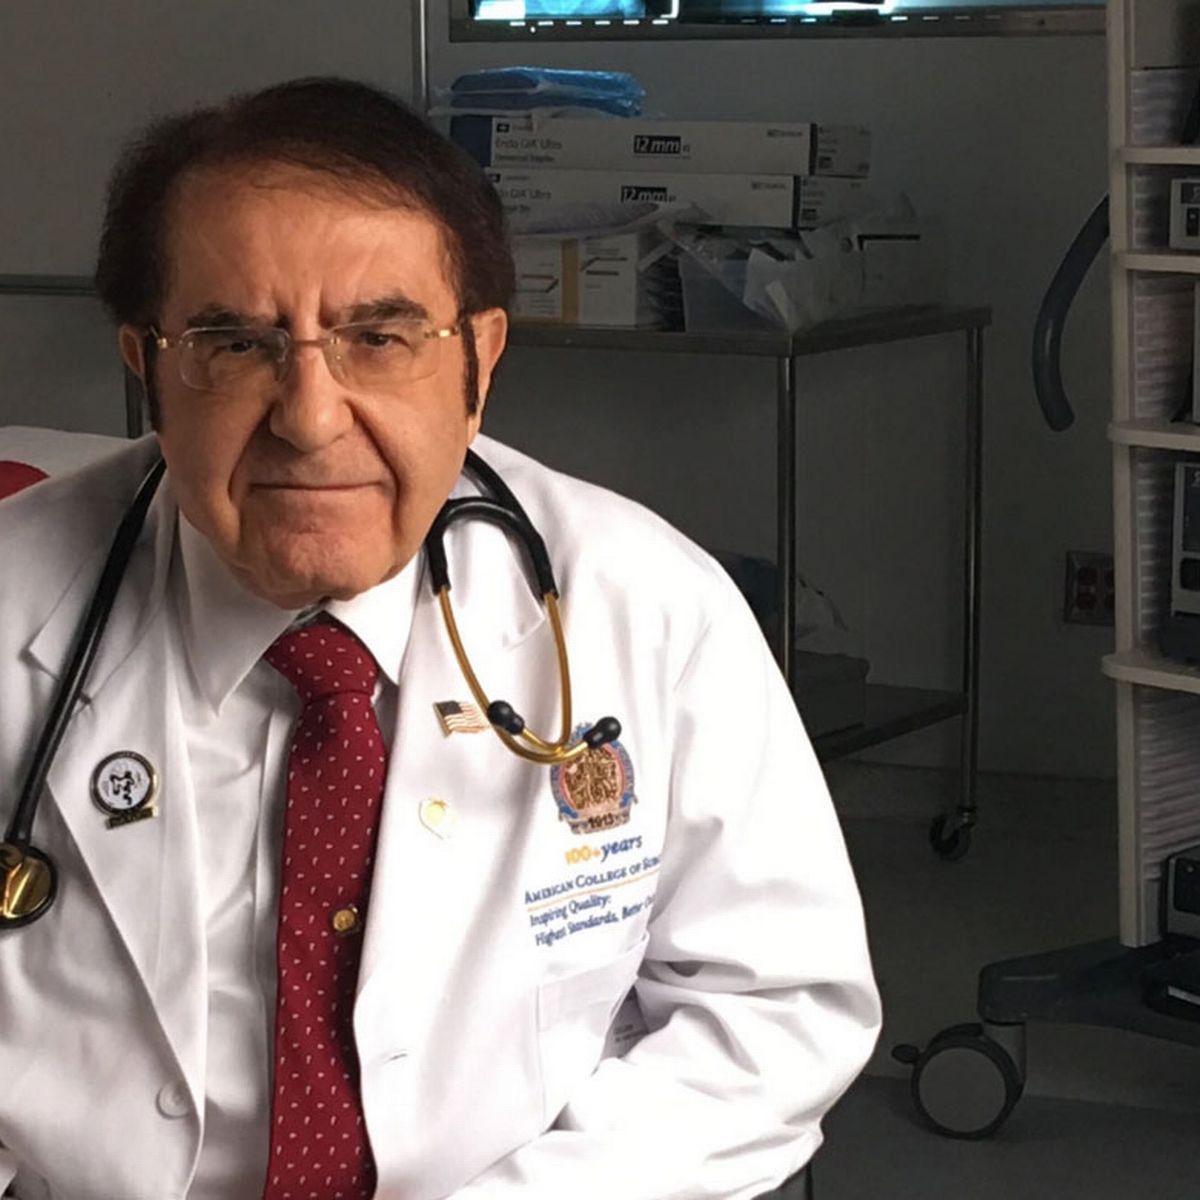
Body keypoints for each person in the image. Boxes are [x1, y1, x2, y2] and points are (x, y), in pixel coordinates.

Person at [0, 78, 880, 1200]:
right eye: (236, 343)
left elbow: (777, 1008)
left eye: (379, 337)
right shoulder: (16, 599)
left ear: (478, 364)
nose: (310, 417)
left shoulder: (649, 607)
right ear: (148, 370)